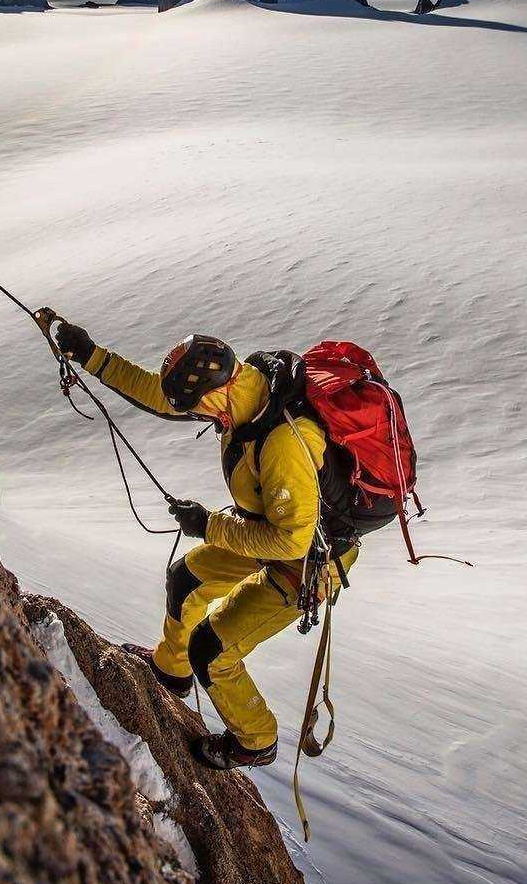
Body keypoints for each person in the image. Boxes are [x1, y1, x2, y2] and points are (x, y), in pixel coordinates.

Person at [55, 323, 358, 772]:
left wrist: (208, 525)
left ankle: (256, 741)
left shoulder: (282, 444)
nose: (198, 417)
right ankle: (170, 672)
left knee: (212, 651)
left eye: (199, 408)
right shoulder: (245, 384)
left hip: (309, 562)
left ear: (216, 392)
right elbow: (162, 397)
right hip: (263, 530)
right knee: (185, 579)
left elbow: (290, 538)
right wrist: (91, 356)